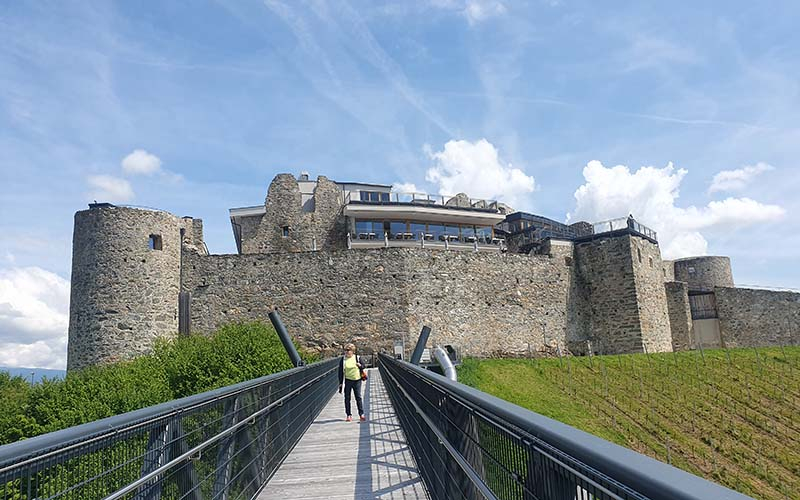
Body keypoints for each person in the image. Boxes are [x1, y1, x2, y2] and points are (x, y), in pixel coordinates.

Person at [338, 343, 366, 422]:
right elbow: (340, 372)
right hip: (348, 380)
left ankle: (361, 414)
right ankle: (348, 415)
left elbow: (363, 366)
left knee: (358, 397)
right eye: (345, 350)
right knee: (347, 398)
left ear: (352, 351)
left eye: (348, 350)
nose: (346, 352)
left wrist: (360, 365)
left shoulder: (357, 358)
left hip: (357, 380)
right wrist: (340, 383)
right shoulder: (343, 359)